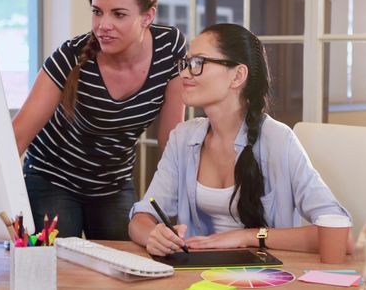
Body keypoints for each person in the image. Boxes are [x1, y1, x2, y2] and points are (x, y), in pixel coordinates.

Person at [128, 23, 353, 256]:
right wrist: (153, 235)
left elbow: (342, 238)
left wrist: (246, 237)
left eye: (198, 63)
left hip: (267, 279)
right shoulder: (182, 138)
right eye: (185, 63)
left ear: (237, 76)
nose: (184, 73)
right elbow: (141, 218)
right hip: (198, 276)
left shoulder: (278, 140)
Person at [13, 0, 186, 240]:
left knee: (126, 268)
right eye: (97, 12)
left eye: (118, 14)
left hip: (112, 184)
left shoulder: (170, 47)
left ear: (147, 16)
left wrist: (171, 208)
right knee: (59, 267)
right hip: (51, 178)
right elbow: (17, 137)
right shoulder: (70, 56)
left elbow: (170, 142)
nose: (103, 25)